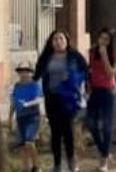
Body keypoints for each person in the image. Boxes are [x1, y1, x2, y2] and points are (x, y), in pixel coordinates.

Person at [34, 30, 88, 172]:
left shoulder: (74, 56)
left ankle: (71, 162)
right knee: (55, 132)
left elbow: (86, 72)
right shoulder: (46, 57)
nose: (58, 41)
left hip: (68, 99)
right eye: (55, 39)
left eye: (61, 38)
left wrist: (73, 77)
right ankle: (57, 164)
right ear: (51, 42)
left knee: (67, 130)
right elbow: (36, 75)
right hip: (51, 98)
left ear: (66, 41)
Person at [86, 28, 116, 171]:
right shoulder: (92, 51)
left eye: (106, 39)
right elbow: (90, 70)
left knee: (106, 126)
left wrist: (105, 54)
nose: (103, 41)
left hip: (107, 92)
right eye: (101, 38)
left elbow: (111, 73)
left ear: (110, 41)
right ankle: (104, 151)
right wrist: (87, 88)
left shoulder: (115, 53)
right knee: (91, 125)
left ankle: (104, 161)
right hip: (94, 92)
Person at [9, 61, 43, 172]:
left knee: (29, 142)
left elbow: (39, 99)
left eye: (26, 71)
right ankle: (25, 168)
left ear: (30, 72)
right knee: (22, 145)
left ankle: (36, 166)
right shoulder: (16, 86)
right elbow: (13, 103)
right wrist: (10, 118)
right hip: (20, 117)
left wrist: (27, 104)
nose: (23, 74)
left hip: (33, 116)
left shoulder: (34, 85)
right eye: (21, 71)